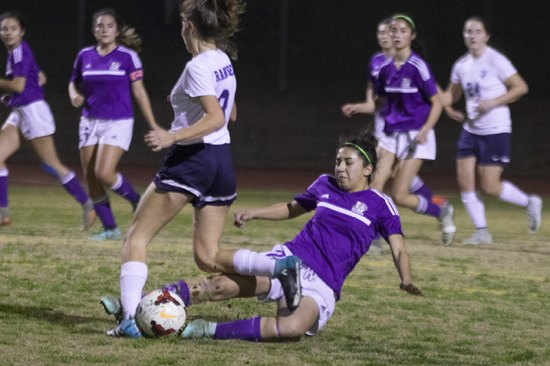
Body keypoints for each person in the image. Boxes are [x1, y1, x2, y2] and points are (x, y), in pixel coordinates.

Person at [102, 131, 423, 341]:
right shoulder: (325, 185)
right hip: (291, 260)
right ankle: (141, 306)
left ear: (367, 170)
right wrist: (255, 213)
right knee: (219, 285)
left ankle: (206, 329)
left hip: (324, 283)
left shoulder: (381, 205)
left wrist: (405, 278)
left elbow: (399, 249)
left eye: (347, 163)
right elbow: (291, 207)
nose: (340, 168)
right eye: (337, 161)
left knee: (292, 329)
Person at [102, 0, 246, 337]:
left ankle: (128, 320)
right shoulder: (223, 60)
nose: (181, 29)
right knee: (208, 258)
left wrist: (173, 135)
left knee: (136, 237)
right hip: (222, 160)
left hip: (192, 159)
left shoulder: (197, 67)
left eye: (183, 24)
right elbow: (231, 115)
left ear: (190, 27)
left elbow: (215, 117)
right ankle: (273, 272)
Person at [349, 14, 456, 246]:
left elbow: (437, 102)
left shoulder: (418, 66)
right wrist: (361, 107)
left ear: (412, 36)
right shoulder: (385, 68)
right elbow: (380, 103)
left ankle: (441, 211)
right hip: (390, 134)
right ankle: (374, 237)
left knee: (399, 194)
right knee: (376, 185)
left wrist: (426, 129)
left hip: (416, 135)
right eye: (394, 30)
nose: (397, 35)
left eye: (402, 31)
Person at [441, 16, 542, 244]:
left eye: (477, 31)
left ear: (486, 35)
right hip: (471, 129)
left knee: (489, 186)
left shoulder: (496, 60)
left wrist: (495, 101)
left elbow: (521, 87)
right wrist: (445, 105)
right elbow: (452, 94)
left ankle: (529, 202)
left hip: (496, 129)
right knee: (464, 181)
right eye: (468, 31)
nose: (472, 35)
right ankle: (482, 231)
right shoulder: (462, 65)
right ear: (464, 35)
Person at [68, 8, 159, 240]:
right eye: (99, 25)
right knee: (90, 177)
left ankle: (136, 200)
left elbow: (139, 92)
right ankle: (110, 229)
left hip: (118, 121)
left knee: (104, 173)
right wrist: (73, 94)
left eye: (109, 25)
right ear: (93, 30)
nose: (104, 29)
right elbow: (73, 82)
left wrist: (153, 124)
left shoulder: (127, 57)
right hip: (89, 121)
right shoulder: (85, 55)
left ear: (117, 30)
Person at [0, 11, 95, 229]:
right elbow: (40, 78)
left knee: (51, 164)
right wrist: (16, 97)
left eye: (13, 28)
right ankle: (3, 212)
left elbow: (19, 85)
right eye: (4, 28)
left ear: (22, 32)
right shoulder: (16, 53)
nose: (8, 32)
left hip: (33, 112)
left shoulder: (19, 51)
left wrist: (18, 93)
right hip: (22, 110)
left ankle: (88, 205)